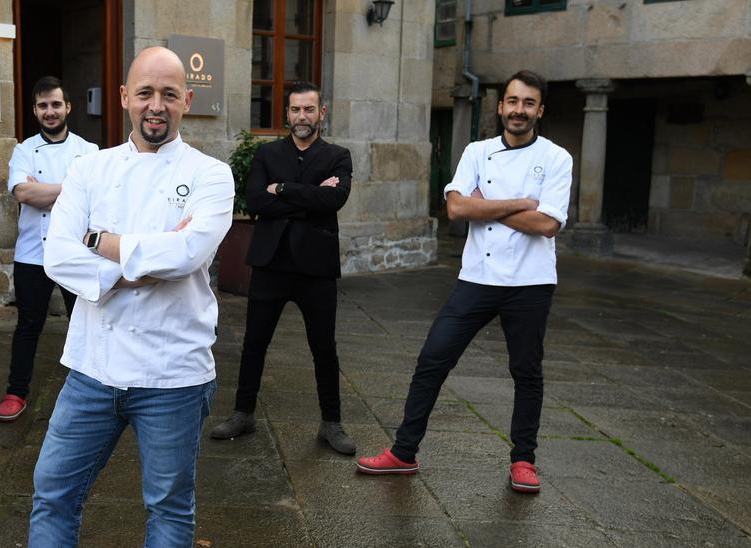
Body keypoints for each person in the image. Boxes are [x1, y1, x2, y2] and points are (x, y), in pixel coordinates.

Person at [31, 47, 235, 546]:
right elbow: (56, 255)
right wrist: (134, 269)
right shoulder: (89, 170)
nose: (156, 105)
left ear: (187, 100)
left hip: (173, 374)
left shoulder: (212, 174)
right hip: (91, 369)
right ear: (125, 97)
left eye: (169, 94)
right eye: (145, 92)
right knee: (52, 492)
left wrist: (99, 241)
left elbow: (186, 253)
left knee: (168, 508)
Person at [356, 70, 572, 494]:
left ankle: (523, 460)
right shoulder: (477, 151)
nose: (519, 110)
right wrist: (518, 204)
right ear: (500, 106)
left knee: (526, 371)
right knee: (433, 358)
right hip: (477, 277)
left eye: (528, 103)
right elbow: (455, 210)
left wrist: (484, 206)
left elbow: (546, 224)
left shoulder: (557, 158)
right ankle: (404, 452)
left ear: (540, 110)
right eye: (512, 101)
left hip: (530, 282)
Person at [209, 81, 357, 455]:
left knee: (324, 348)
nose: (301, 117)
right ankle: (243, 413)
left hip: (316, 268)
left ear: (321, 113)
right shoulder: (266, 154)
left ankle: (331, 423)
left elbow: (334, 199)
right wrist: (308, 197)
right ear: (286, 114)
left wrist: (283, 190)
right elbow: (256, 200)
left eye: (309, 109)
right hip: (271, 263)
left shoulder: (339, 155)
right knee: (255, 343)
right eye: (295, 110)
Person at [0, 76, 98, 422]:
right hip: (31, 255)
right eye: (42, 106)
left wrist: (48, 192)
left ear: (68, 107)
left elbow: (94, 200)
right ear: (35, 111)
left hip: (75, 252)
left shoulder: (89, 151)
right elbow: (23, 194)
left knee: (84, 322)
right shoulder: (24, 150)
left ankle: (93, 386)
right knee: (28, 325)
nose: (49, 111)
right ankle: (16, 392)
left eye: (56, 104)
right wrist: (71, 190)